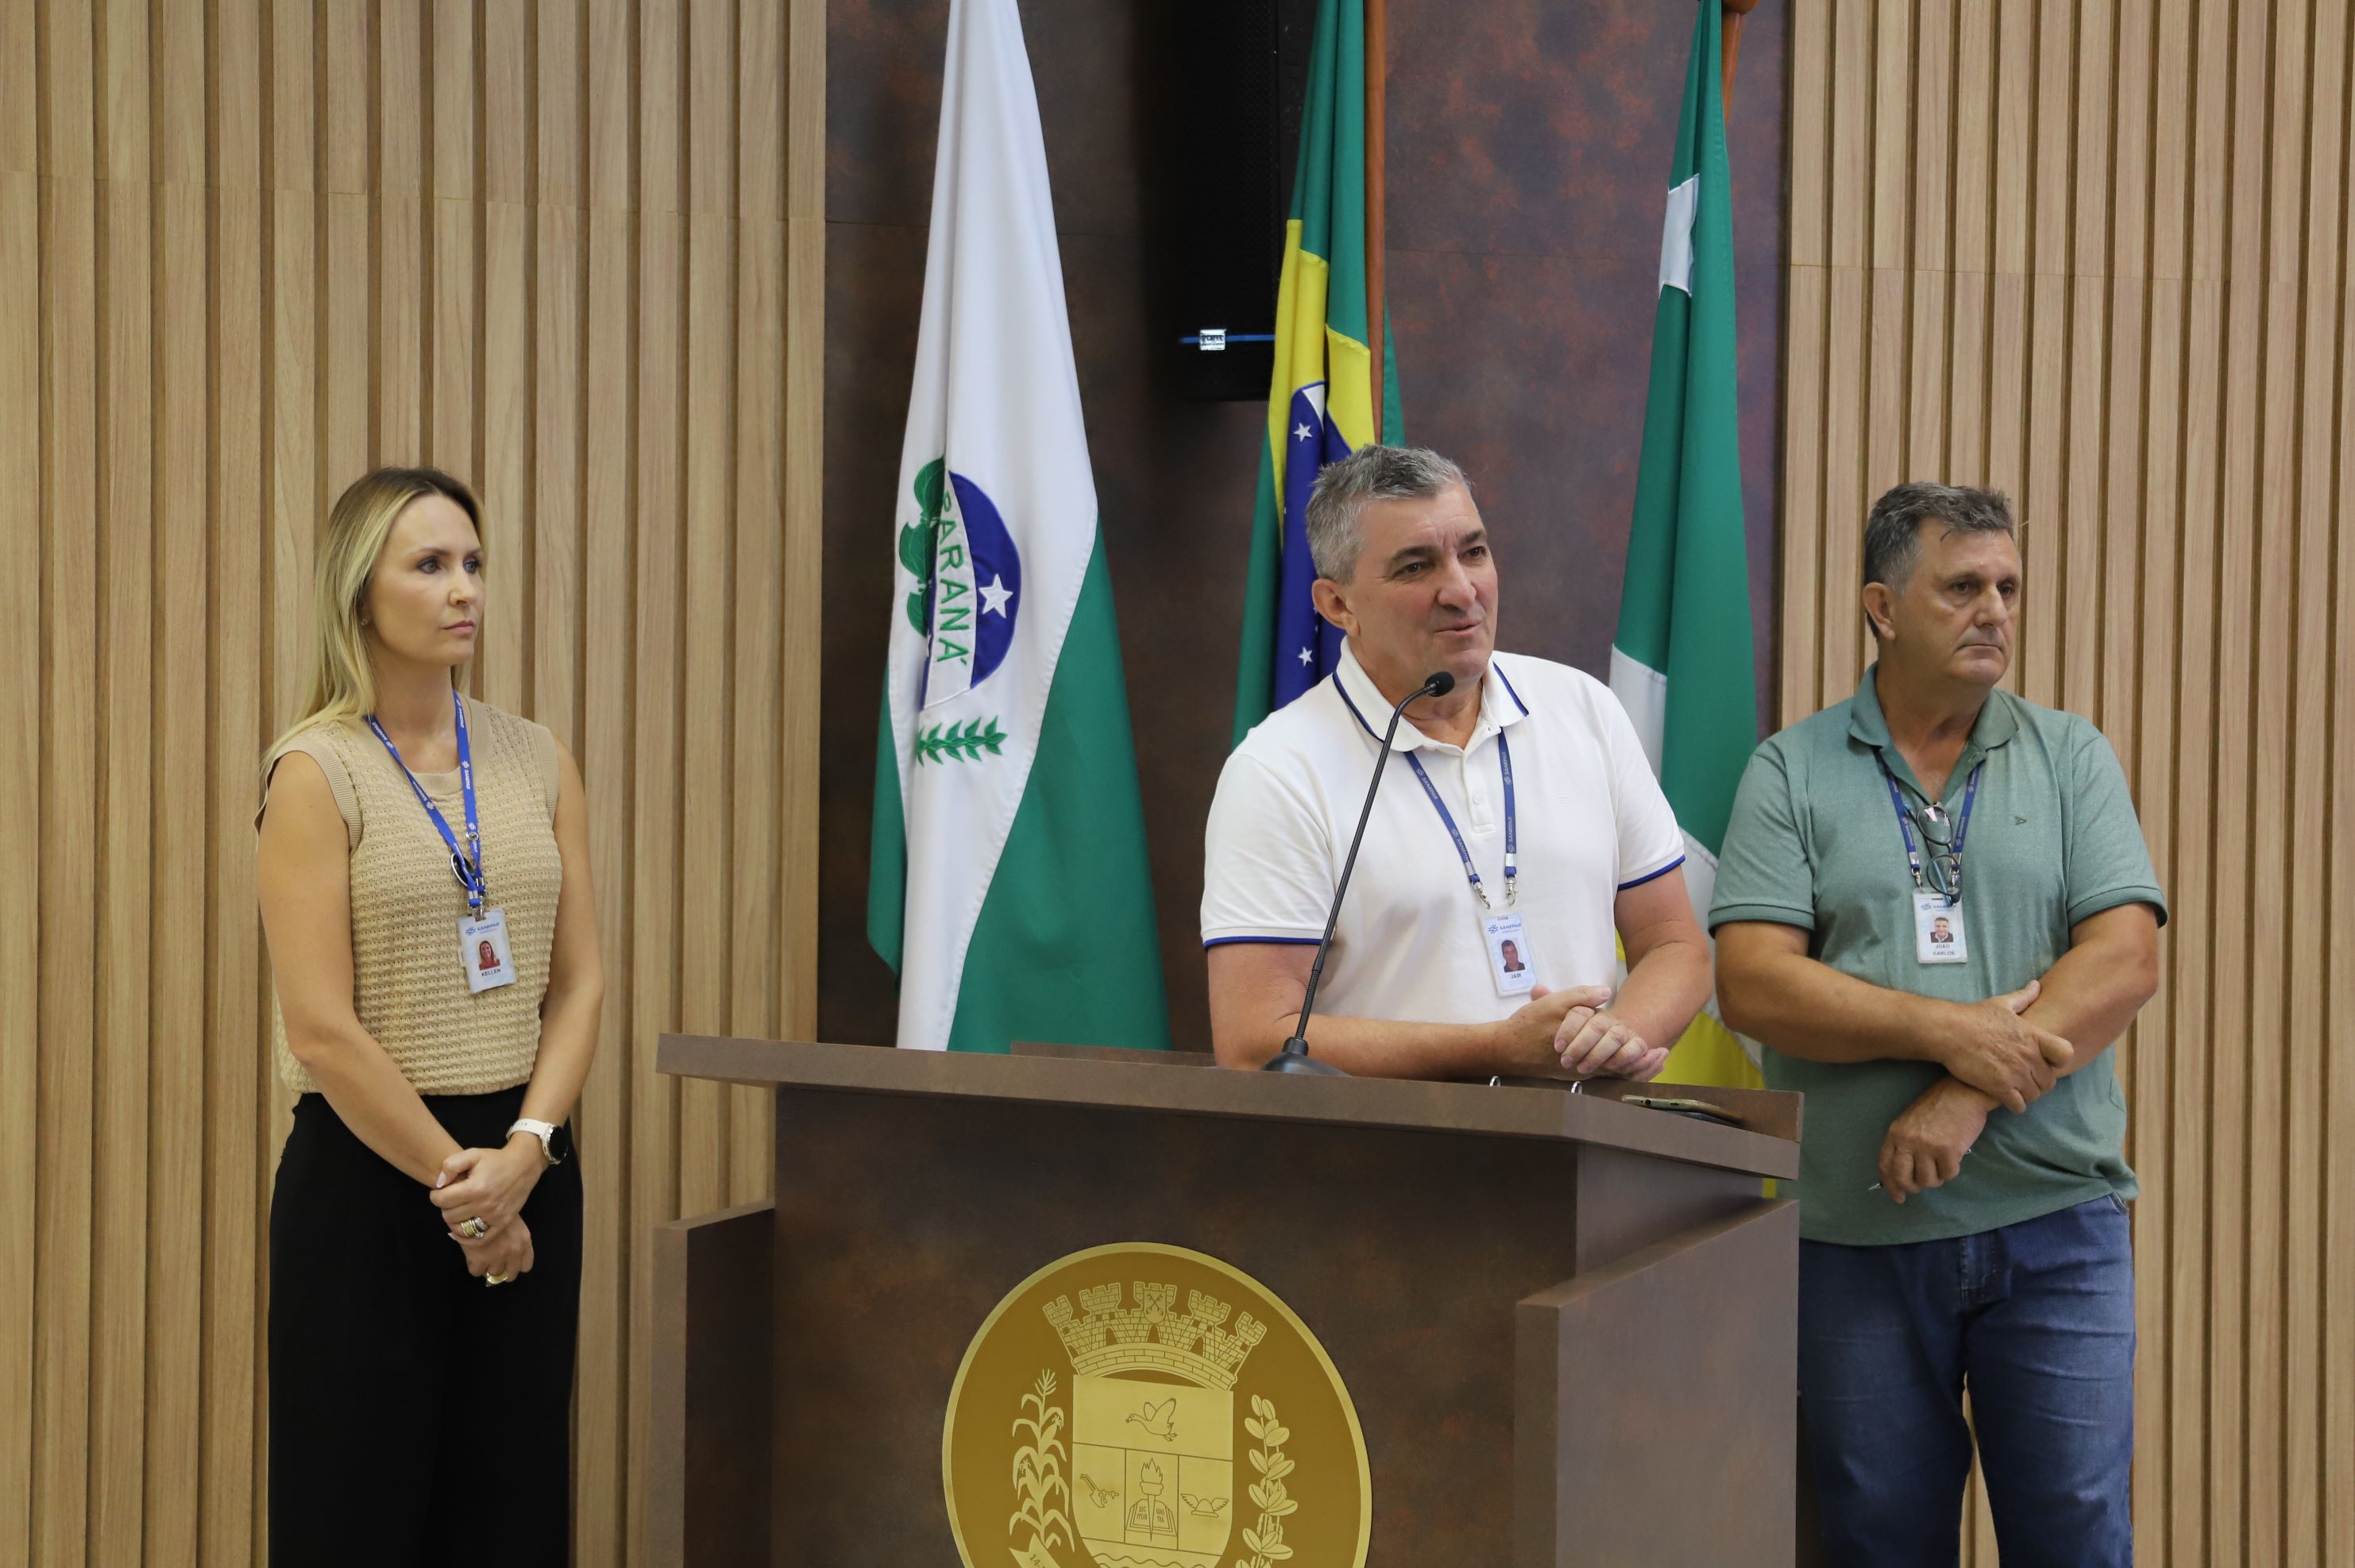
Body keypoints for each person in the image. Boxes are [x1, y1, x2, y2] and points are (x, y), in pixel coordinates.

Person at [1711, 482, 2164, 1566]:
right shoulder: (1791, 768)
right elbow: (1754, 984)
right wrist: (1950, 1027)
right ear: (1881, 604)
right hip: (1857, 1238)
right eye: (1961, 587)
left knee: (2076, 1542)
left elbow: (2125, 959)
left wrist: (1966, 1087)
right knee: (1876, 1545)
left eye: (2007, 586)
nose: (1995, 610)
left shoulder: (2069, 756)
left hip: (2057, 1226)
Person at [257, 466, 604, 1565]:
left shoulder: (537, 753)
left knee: (510, 1510)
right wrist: (470, 1196)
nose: (464, 590)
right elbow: (320, 1028)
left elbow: (580, 981)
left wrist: (527, 1154)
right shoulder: (317, 770)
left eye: (473, 564)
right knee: (356, 1510)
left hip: (528, 1164)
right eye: (430, 565)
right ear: (361, 596)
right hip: (372, 1182)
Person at [1202, 445, 1710, 1079]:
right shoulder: (1280, 770)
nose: (1462, 589)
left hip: (1584, 1156)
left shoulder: (1582, 708)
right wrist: (1497, 1050)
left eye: (1473, 552)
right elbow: (1255, 1042)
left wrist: (1604, 1043)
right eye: (1416, 567)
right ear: (1337, 606)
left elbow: (1673, 944)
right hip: (1391, 1162)